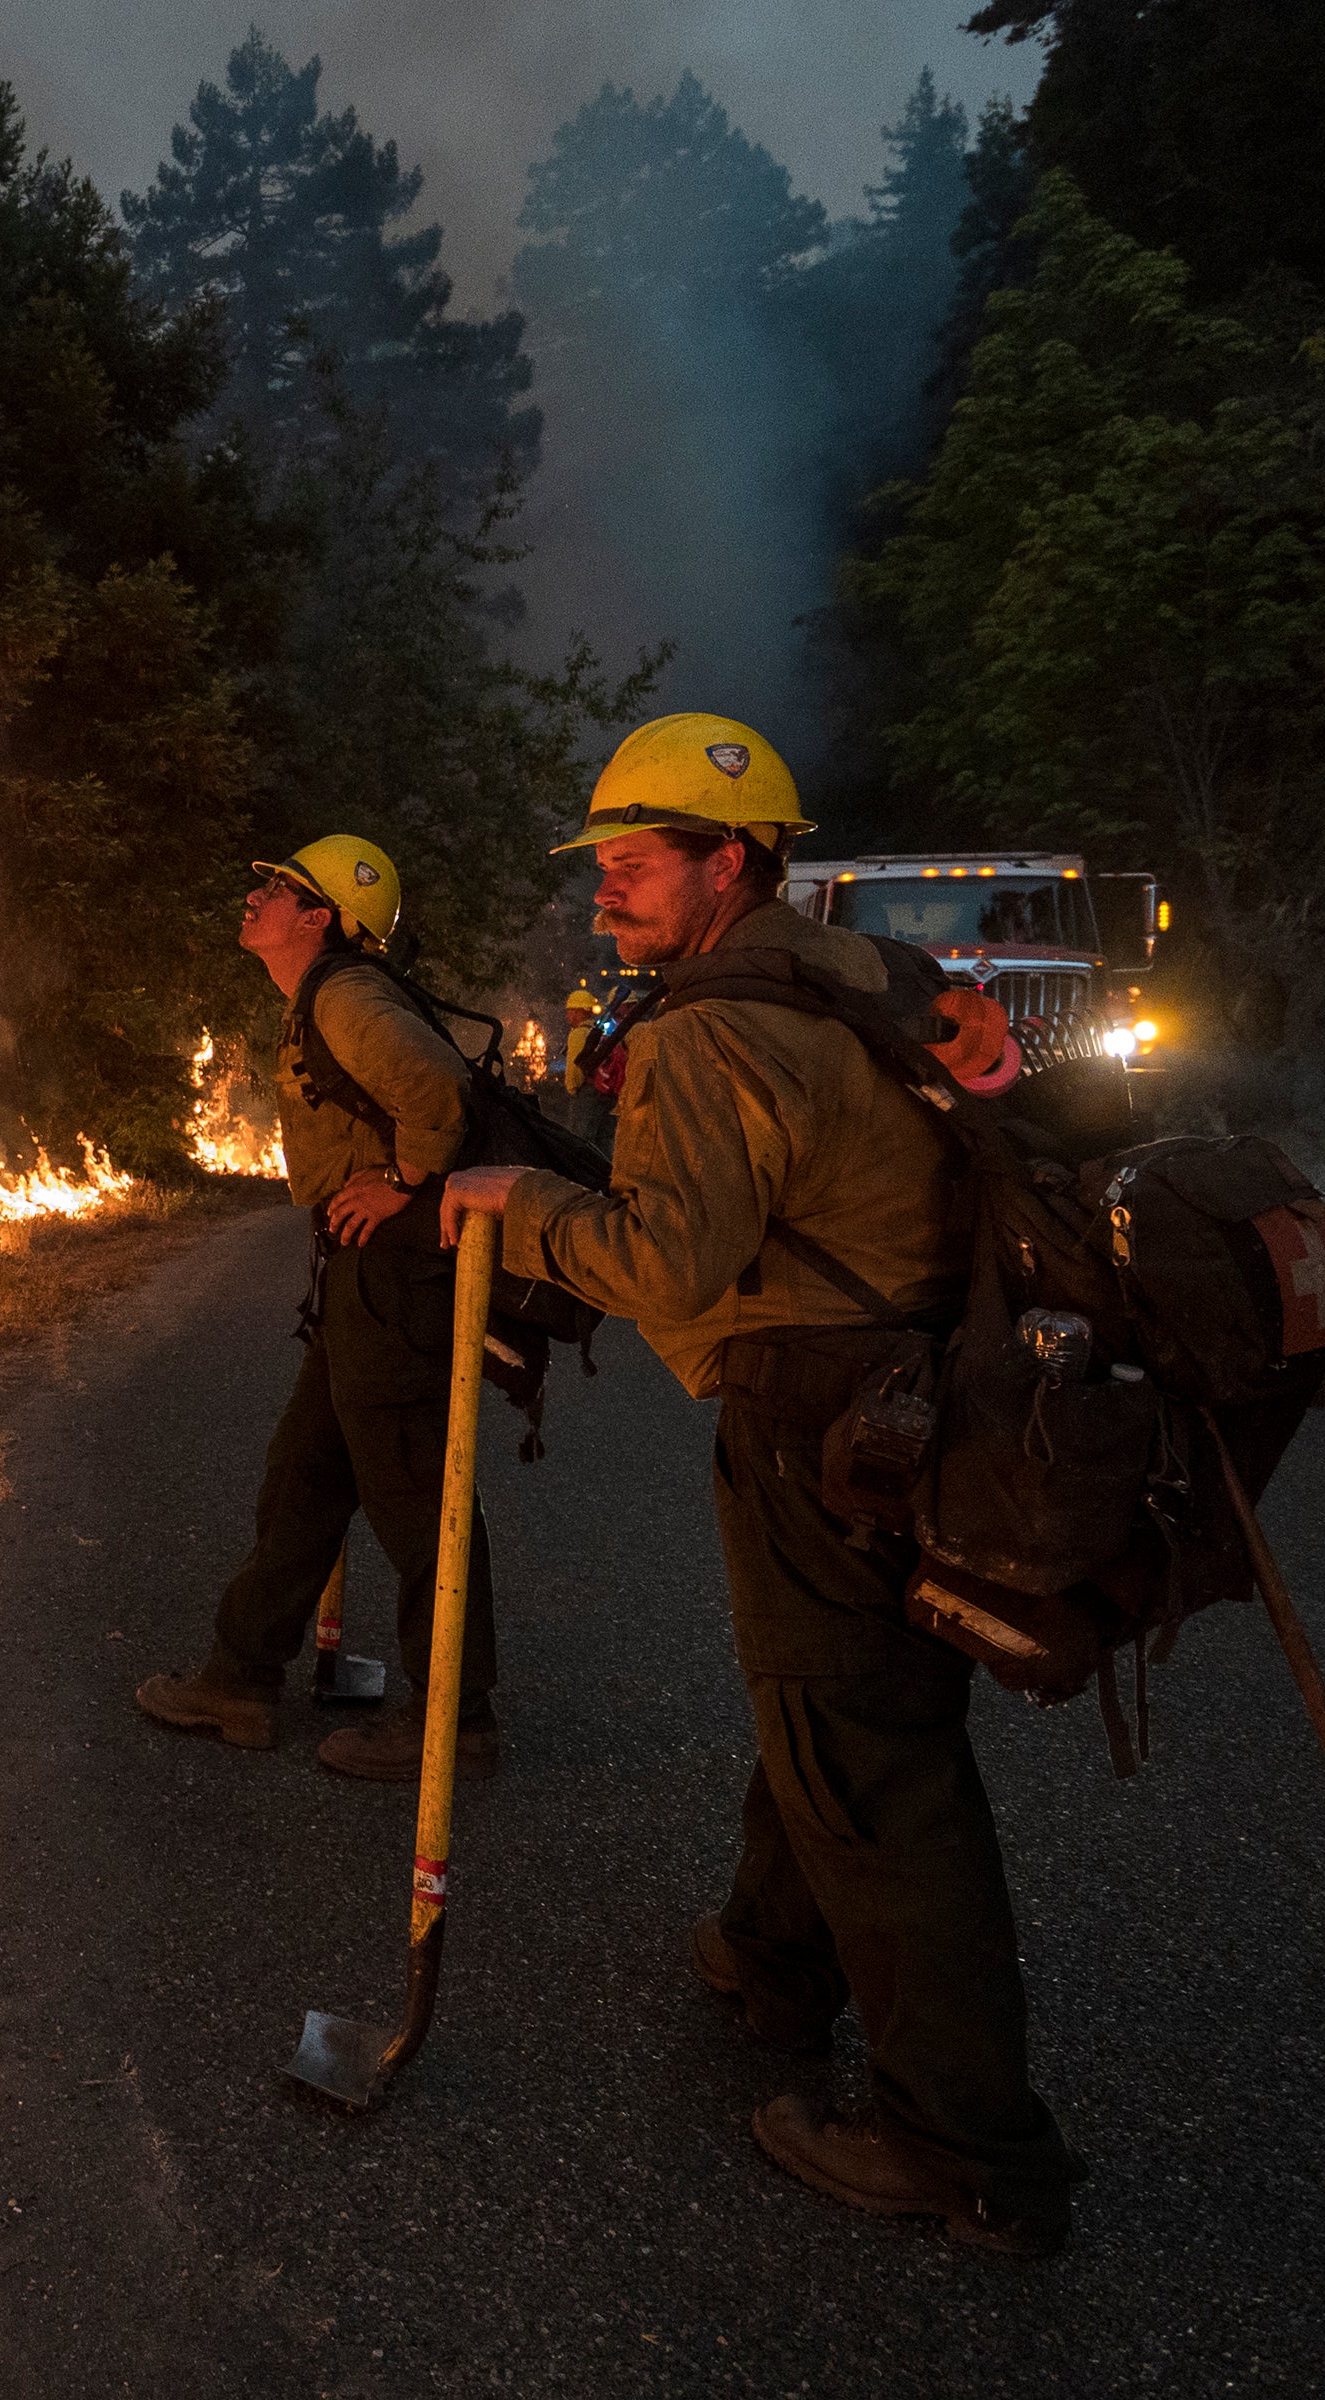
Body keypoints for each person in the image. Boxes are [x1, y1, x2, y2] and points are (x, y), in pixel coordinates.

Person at [444, 712, 1082, 2257]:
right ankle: (770, 1958)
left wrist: (519, 1198)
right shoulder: (859, 985)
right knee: (845, 1704)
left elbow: (667, 1259)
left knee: (868, 1753)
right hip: (927, 1390)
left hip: (820, 1409)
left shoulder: (706, 1029)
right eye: (602, 864)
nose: (608, 891)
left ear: (731, 862)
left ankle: (965, 2146)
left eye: (636, 865)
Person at [136, 835, 502, 1781]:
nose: (257, 894)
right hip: (362, 1277)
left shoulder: (346, 995)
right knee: (304, 1473)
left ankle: (456, 1724)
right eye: (263, 880)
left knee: (418, 1498)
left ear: (323, 920)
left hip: (399, 1275)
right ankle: (240, 1678)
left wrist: (401, 1181)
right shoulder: (319, 998)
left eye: (282, 889)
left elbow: (439, 1089)